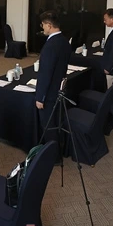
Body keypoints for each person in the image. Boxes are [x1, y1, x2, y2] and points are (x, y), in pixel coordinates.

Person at [35, 11, 72, 143]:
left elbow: (46, 73)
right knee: (56, 121)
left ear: (49, 25)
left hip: (49, 93)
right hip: (59, 87)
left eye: (43, 25)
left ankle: (52, 152)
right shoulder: (64, 41)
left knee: (48, 125)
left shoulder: (50, 45)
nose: (43, 28)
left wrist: (40, 97)